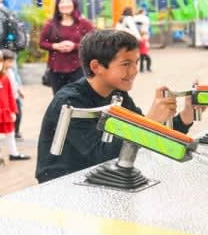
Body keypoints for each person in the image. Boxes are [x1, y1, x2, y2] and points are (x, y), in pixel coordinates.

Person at [36, 30, 198, 183]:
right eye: (126, 63)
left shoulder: (118, 95)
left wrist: (186, 115)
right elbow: (101, 154)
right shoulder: (70, 102)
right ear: (96, 66)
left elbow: (148, 140)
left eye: (136, 62)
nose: (134, 71)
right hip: (62, 184)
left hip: (102, 177)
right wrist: (150, 122)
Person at [39, 0, 94, 94]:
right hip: (56, 69)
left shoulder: (84, 24)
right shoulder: (51, 24)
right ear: (57, 5)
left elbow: (94, 43)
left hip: (79, 68)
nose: (65, 5)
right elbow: (42, 43)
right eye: (62, 2)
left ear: (74, 4)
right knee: (60, 99)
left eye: (68, 2)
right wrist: (55, 46)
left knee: (80, 98)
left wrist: (75, 46)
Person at [1, 49, 25, 139]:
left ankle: (16, 131)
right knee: (8, 115)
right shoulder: (0, 74)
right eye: (9, 62)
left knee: (18, 114)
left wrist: (20, 91)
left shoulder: (11, 71)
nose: (11, 64)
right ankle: (8, 130)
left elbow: (15, 82)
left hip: (15, 97)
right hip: (6, 99)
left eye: (12, 62)